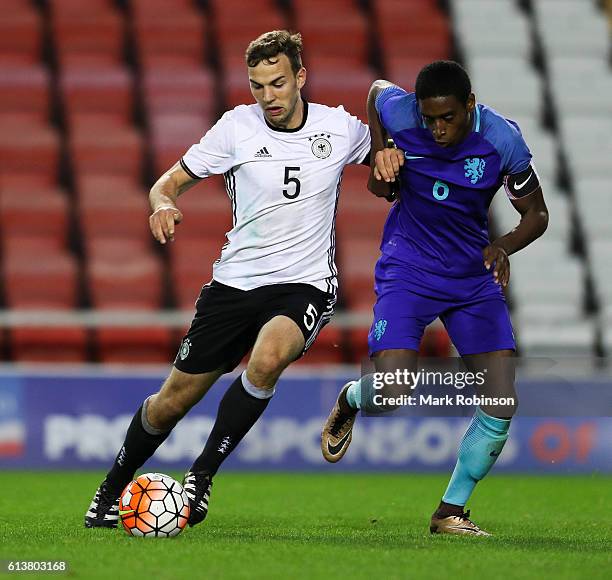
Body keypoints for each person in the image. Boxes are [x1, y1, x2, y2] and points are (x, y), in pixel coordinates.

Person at [85, 30, 371, 528]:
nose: (268, 96)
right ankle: (107, 495)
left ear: (300, 77)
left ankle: (201, 475)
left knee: (266, 360)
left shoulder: (340, 128)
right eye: (258, 86)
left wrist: (388, 155)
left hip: (304, 282)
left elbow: (389, 152)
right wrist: (163, 203)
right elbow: (166, 182)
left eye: (278, 83)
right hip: (234, 284)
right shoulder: (236, 127)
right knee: (172, 401)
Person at [321, 61, 549, 536]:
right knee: (395, 386)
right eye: (430, 119)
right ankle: (354, 397)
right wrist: (382, 149)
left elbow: (537, 214)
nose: (438, 128)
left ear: (470, 104)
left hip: (472, 274)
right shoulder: (403, 112)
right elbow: (377, 90)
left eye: (448, 118)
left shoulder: (503, 139)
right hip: (410, 266)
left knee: (501, 397)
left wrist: (502, 246)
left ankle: (451, 511)